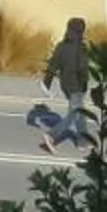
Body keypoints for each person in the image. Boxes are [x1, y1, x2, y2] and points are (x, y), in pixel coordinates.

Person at [31, 16, 92, 153]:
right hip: (77, 85)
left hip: (65, 84)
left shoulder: (61, 46)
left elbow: (52, 66)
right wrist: (84, 83)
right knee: (74, 114)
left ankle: (82, 141)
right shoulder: (81, 48)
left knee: (79, 112)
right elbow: (83, 68)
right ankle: (51, 135)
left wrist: (47, 83)